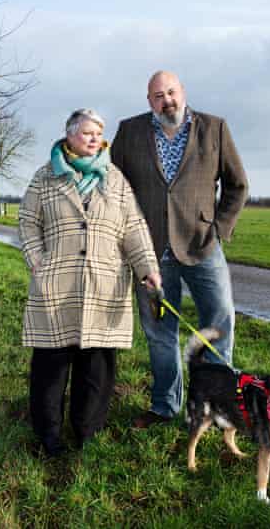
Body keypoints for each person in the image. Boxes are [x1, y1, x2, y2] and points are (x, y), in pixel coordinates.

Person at [19, 108, 162, 456]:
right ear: (69, 136)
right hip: (58, 286)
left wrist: (148, 268)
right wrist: (38, 261)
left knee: (96, 369)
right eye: (86, 132)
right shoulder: (44, 178)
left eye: (98, 132)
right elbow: (27, 223)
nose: (94, 138)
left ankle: (86, 433)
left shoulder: (115, 180)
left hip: (104, 285)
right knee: (51, 369)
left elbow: (134, 229)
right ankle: (48, 436)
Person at [111, 71, 249, 428]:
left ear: (182, 92)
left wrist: (219, 228)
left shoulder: (214, 128)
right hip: (150, 252)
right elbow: (114, 190)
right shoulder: (129, 132)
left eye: (171, 92)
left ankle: (218, 410)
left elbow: (237, 185)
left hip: (202, 246)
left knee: (220, 324)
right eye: (158, 96)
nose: (166, 100)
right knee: (159, 333)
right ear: (149, 101)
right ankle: (164, 406)